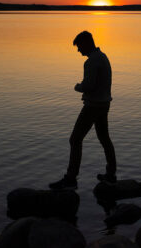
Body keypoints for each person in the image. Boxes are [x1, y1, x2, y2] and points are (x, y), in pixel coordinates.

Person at [49, 31, 117, 190]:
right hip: (104, 104)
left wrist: (77, 87)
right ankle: (111, 174)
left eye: (79, 46)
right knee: (104, 139)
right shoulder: (103, 56)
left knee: (75, 139)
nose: (78, 50)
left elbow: (89, 86)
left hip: (93, 106)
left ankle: (71, 179)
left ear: (86, 43)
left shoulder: (91, 61)